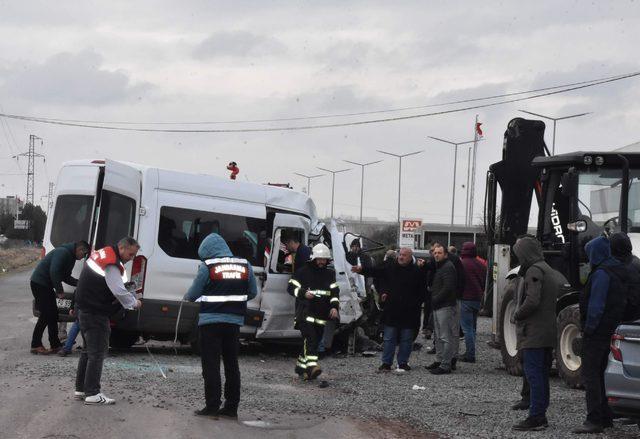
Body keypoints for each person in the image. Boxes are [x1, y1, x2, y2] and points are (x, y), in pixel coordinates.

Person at [184, 233, 258, 418]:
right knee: (232, 365)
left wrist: (189, 296)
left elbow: (193, 294)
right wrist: (235, 302)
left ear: (208, 251)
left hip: (210, 323)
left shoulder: (208, 266)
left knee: (211, 365)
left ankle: (212, 406)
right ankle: (231, 407)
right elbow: (252, 292)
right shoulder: (244, 265)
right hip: (233, 323)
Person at [572, 236, 632, 434]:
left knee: (591, 375)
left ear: (595, 253)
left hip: (597, 332)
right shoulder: (619, 270)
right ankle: (606, 417)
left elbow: (596, 306)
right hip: (611, 329)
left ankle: (594, 419)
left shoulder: (601, 274)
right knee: (601, 374)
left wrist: (588, 329)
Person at [74, 237, 142, 405]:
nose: (131, 258)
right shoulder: (111, 263)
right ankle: (92, 393)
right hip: (95, 312)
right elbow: (118, 290)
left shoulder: (103, 254)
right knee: (97, 352)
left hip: (84, 308)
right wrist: (134, 303)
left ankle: (81, 389)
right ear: (121, 248)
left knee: (88, 351)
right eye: (131, 254)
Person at [511, 235, 566, 431]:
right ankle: (539, 413)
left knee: (534, 375)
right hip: (547, 331)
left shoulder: (534, 270)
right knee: (541, 375)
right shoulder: (547, 269)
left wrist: (517, 314)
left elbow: (532, 300)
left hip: (534, 332)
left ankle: (536, 416)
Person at [353, 247, 426, 372]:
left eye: (404, 255)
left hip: (410, 312)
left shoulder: (417, 272)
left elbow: (422, 292)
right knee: (389, 338)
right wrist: (362, 270)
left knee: (406, 339)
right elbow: (375, 271)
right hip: (392, 310)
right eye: (400, 255)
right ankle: (386, 363)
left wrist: (416, 304)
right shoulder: (390, 267)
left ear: (410, 257)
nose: (401, 257)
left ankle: (403, 363)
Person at [287, 243, 339, 380]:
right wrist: (304, 293)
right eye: (319, 259)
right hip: (305, 312)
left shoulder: (330, 274)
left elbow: (334, 293)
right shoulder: (302, 272)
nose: (322, 262)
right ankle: (312, 366)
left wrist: (334, 307)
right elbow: (291, 288)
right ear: (314, 258)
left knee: (314, 343)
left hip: (321, 315)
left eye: (324, 259)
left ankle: (300, 368)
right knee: (310, 339)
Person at [30, 240, 89, 354]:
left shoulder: (71, 257)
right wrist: (59, 290)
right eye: (84, 254)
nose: (83, 258)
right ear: (79, 249)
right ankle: (35, 344)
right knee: (46, 315)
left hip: (45, 285)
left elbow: (65, 277)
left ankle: (55, 344)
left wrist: (80, 283)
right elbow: (54, 271)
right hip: (39, 283)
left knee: (53, 315)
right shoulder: (63, 252)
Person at [424, 244, 459, 375]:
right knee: (438, 336)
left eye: (439, 253)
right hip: (438, 306)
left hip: (445, 306)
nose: (436, 255)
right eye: (435, 253)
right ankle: (439, 360)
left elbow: (449, 287)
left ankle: (445, 364)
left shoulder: (448, 267)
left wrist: (436, 299)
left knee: (445, 336)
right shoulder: (441, 266)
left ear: (445, 254)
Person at [458, 242, 487, 363]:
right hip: (477, 299)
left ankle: (470, 355)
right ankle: (471, 352)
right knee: (473, 328)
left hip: (465, 299)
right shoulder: (481, 264)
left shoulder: (462, 264)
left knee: (467, 329)